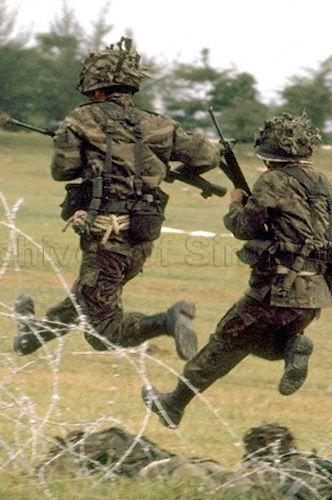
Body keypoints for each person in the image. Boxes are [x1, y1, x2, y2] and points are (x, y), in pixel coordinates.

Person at [12, 37, 221, 360]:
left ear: (96, 89)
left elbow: (63, 171)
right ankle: (30, 338)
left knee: (102, 332)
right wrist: (161, 164)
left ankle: (169, 319)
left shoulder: (80, 120)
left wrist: (82, 151)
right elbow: (207, 157)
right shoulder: (160, 124)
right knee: (87, 297)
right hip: (141, 236)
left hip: (106, 235)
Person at [142, 113, 332, 428]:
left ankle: (174, 405)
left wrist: (237, 202)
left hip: (273, 292)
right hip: (312, 296)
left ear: (269, 150)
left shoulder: (272, 180)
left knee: (225, 342)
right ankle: (294, 345)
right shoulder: (324, 184)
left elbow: (244, 226)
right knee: (256, 343)